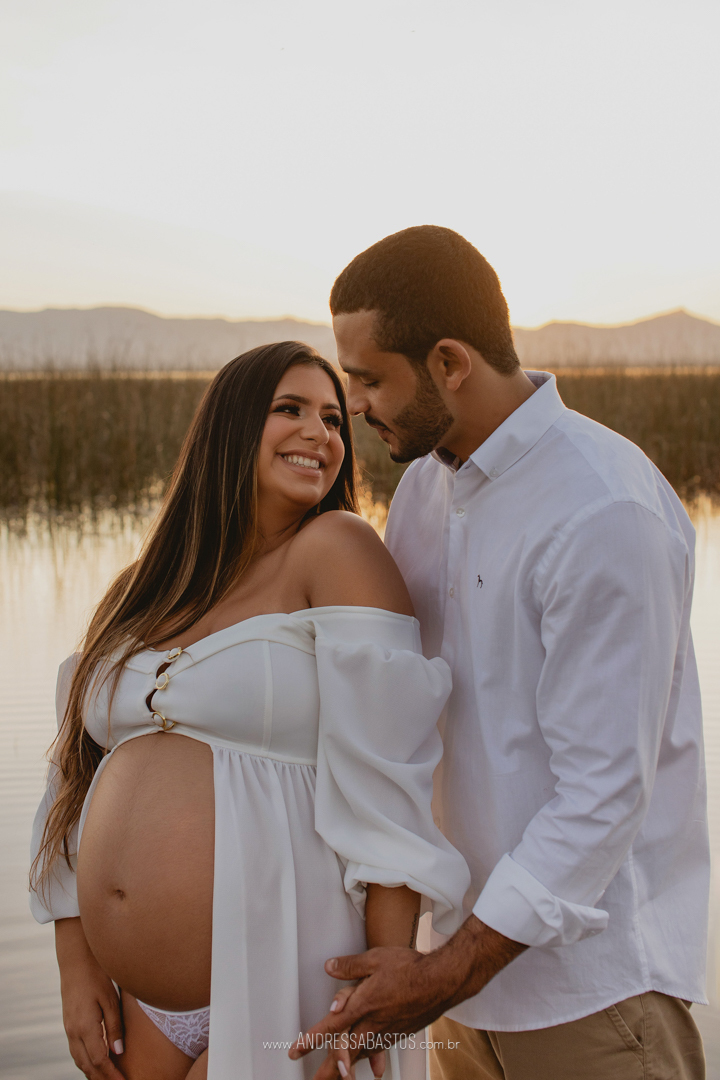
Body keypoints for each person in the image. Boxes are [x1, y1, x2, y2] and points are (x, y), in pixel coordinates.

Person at [290, 227, 710, 1080]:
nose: (356, 404)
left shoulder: (602, 509)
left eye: (370, 379)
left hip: (592, 1003)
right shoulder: (421, 493)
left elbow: (601, 797)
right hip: (460, 995)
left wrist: (440, 974)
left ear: (449, 362)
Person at [29, 341, 471, 1080]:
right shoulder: (146, 585)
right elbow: (71, 781)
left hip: (290, 972)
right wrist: (75, 965)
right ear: (230, 428)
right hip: (136, 1002)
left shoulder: (335, 549)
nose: (320, 433)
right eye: (289, 409)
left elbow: (388, 785)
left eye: (333, 419)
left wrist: (376, 994)